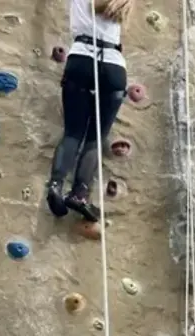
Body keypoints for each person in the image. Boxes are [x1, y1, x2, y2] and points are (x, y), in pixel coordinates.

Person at [45, 0, 132, 223]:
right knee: (96, 137)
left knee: (73, 132)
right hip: (114, 66)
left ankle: (56, 185)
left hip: (81, 59)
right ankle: (79, 194)